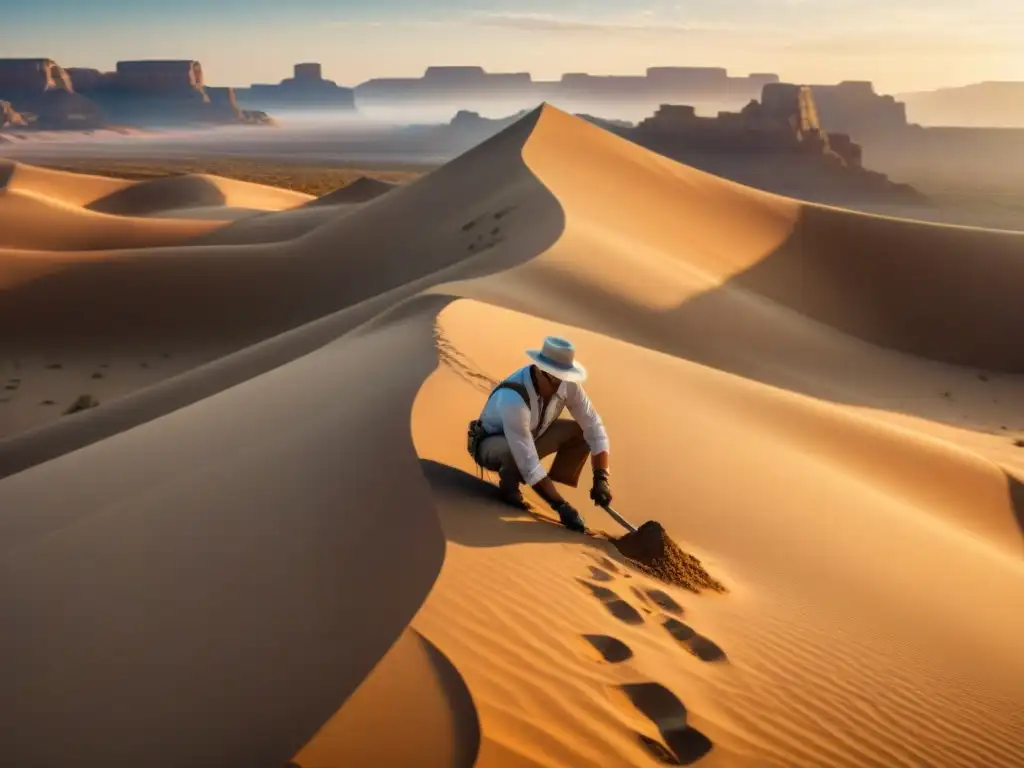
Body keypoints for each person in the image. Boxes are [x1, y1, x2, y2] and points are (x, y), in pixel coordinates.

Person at [467, 336, 613, 533]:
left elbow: (595, 428)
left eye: (564, 378)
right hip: (491, 445)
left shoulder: (565, 384)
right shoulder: (514, 399)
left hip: (530, 438)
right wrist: (561, 507)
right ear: (539, 371)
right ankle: (509, 489)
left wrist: (601, 478)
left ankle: (550, 482)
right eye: (555, 380)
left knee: (582, 431)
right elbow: (528, 462)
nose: (561, 386)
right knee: (515, 453)